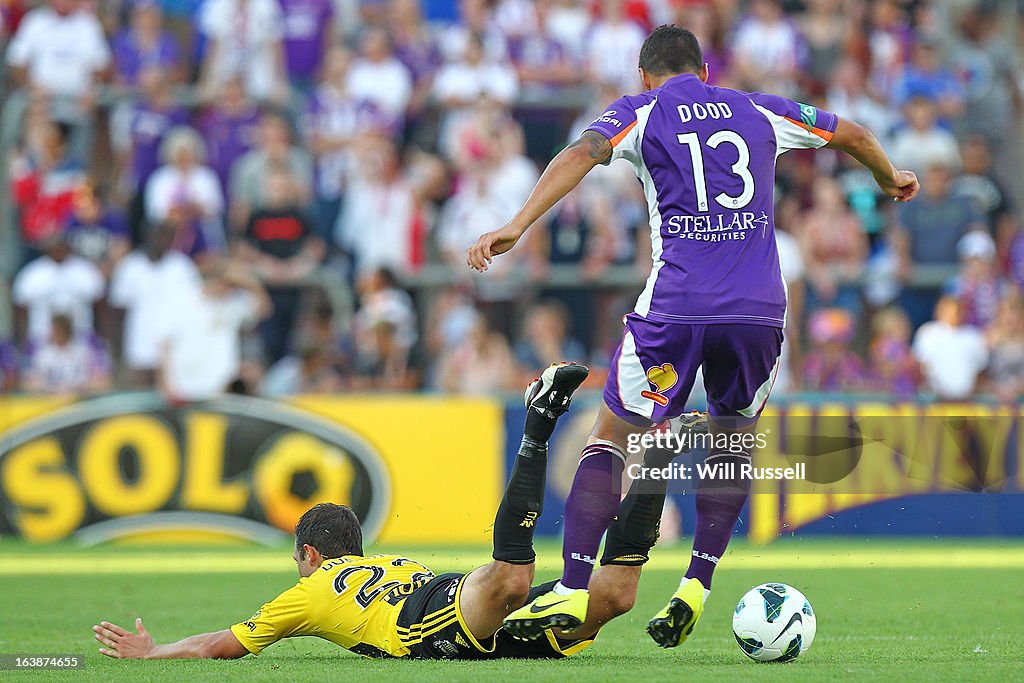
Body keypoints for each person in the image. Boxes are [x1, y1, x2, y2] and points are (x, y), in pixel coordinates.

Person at [467, 24, 918, 647]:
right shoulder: (758, 108)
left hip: (677, 306)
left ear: (645, 74)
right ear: (705, 71)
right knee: (733, 437)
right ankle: (697, 583)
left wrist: (518, 225)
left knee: (613, 437)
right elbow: (854, 133)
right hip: (759, 310)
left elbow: (578, 155)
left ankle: (572, 586)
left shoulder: (640, 110)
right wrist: (888, 177)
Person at [91, 363, 662, 660]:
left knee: (512, 579)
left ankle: (537, 424)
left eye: (298, 560)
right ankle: (659, 450)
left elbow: (220, 643)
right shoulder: (387, 561)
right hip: (450, 598)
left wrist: (157, 649)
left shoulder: (311, 591)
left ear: (309, 554)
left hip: (430, 620)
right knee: (615, 597)